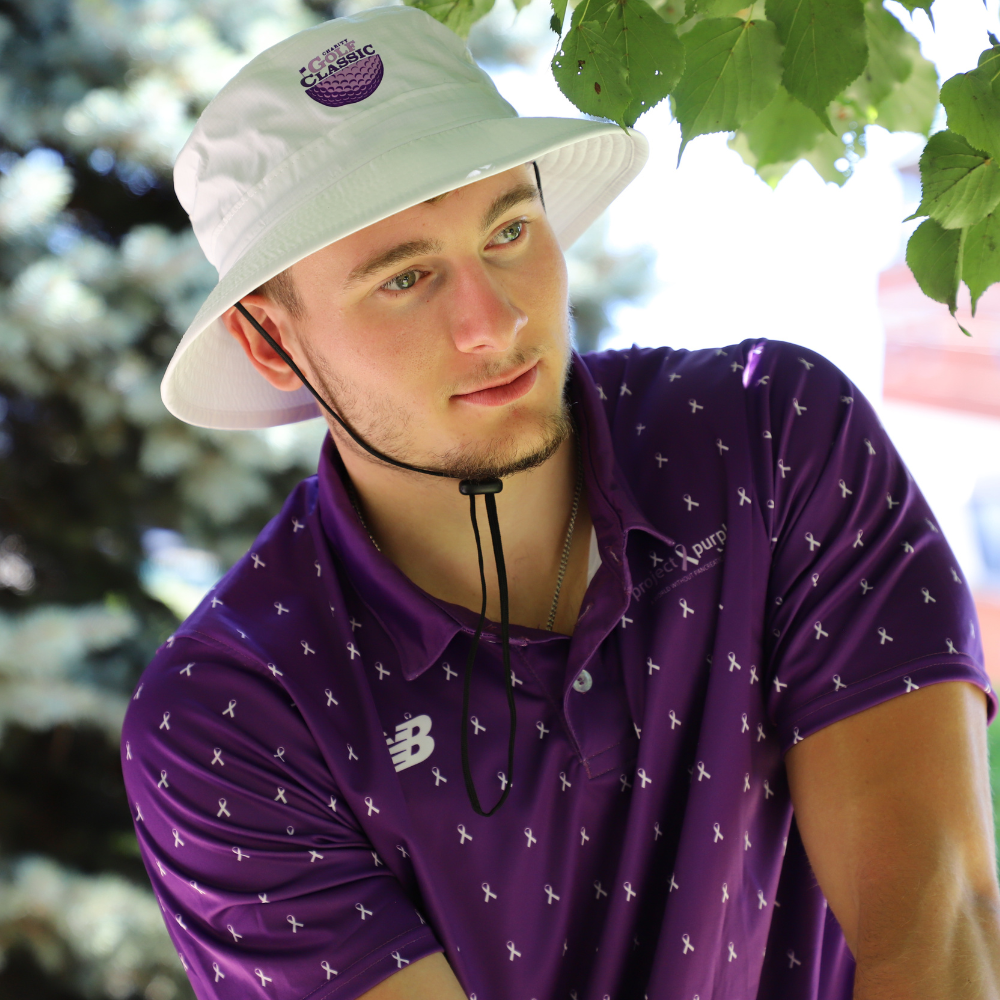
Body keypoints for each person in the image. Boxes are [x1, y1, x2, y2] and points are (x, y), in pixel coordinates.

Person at [121, 5, 1000, 1000]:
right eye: (405, 278)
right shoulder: (229, 717)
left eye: (507, 230)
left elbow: (937, 919)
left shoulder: (771, 437)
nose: (491, 319)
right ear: (268, 342)